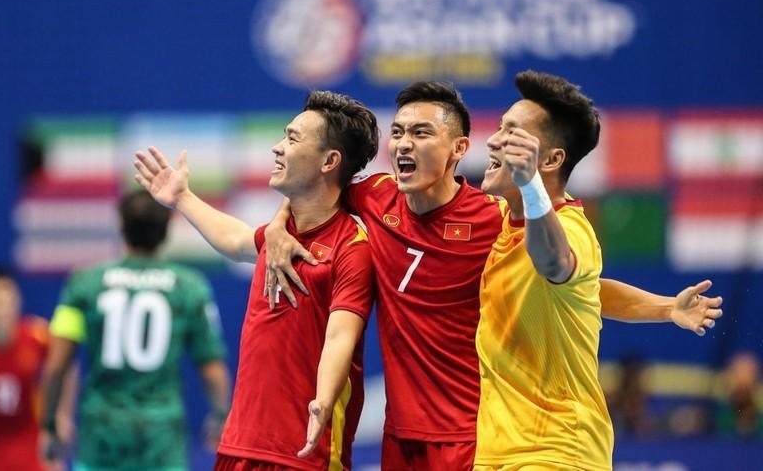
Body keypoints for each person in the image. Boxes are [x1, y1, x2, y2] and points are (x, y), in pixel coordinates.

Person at [264, 79, 724, 470]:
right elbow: (313, 187)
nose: (403, 143)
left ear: (456, 149)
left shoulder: (510, 220)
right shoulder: (386, 197)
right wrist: (280, 225)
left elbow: (562, 270)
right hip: (425, 436)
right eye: (398, 132)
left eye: (420, 132)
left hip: (490, 435)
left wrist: (529, 187)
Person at [133, 90, 380, 470]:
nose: (278, 148)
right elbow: (234, 239)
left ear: (330, 161)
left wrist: (324, 401)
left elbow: (340, 337)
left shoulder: (352, 248)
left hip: (302, 452)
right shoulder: (278, 236)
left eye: (293, 139)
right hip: (240, 446)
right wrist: (182, 198)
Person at [475, 70, 621, 468]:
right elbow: (589, 293)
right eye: (500, 127)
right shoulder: (503, 215)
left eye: (513, 133)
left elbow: (553, 262)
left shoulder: (572, 231)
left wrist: (530, 185)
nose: (492, 140)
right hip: (494, 451)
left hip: (557, 451)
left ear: (552, 158)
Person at [40, 190, 231, 471]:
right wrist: (219, 416)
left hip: (102, 434)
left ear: (120, 226)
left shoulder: (83, 284)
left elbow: (57, 366)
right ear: (167, 230)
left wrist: (49, 425)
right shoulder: (190, 287)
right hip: (161, 435)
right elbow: (212, 368)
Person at [0, 267, 75, 471]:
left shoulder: (36, 335)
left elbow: (65, 363)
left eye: (4, 298)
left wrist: (60, 415)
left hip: (32, 448)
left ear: (17, 301)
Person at [716, 351, 763, 439]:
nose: (742, 382)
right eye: (737, 375)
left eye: (748, 375)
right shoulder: (721, 417)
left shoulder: (760, 420)